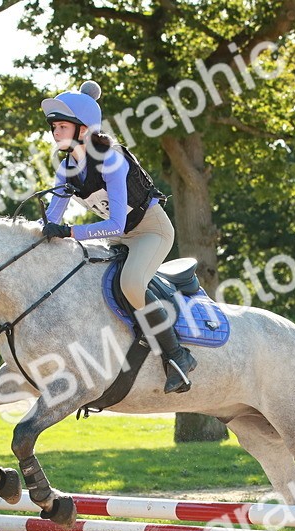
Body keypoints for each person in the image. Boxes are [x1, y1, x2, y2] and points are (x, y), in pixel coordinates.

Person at [40, 81, 198, 394]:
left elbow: (115, 223)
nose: (55, 133)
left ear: (83, 129)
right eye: (54, 127)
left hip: (150, 231)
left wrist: (70, 232)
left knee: (131, 284)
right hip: (118, 238)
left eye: (62, 126)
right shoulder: (67, 168)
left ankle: (177, 356)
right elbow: (51, 219)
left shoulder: (111, 159)